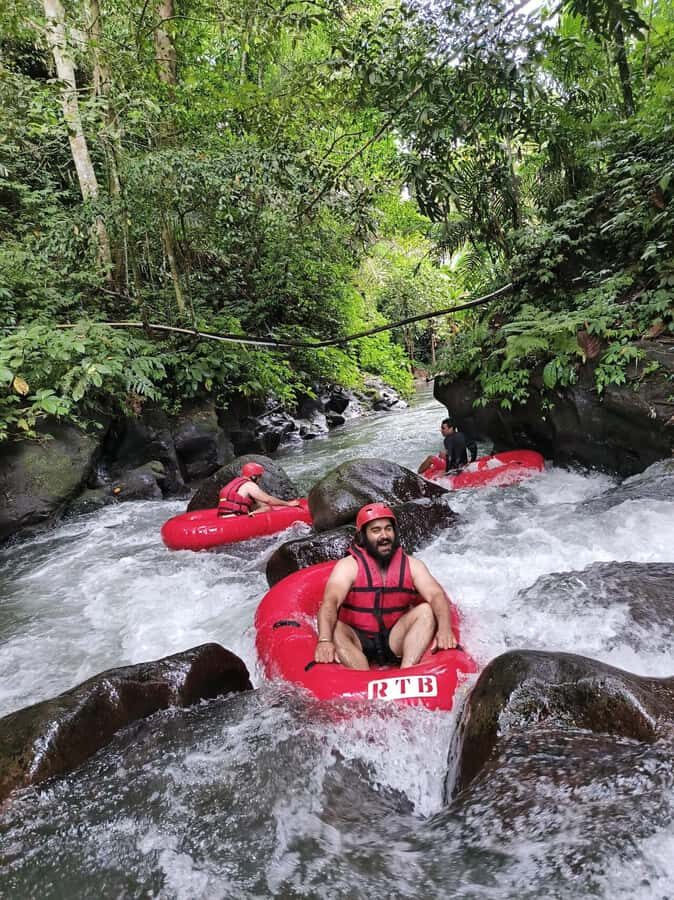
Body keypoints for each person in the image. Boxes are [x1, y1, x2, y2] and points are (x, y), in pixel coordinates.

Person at [313, 503, 456, 670]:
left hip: (395, 638)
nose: (384, 535)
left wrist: (445, 629)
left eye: (388, 529)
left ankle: (408, 672)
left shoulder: (413, 565)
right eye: (376, 530)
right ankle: (362, 679)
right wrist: (324, 640)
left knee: (426, 610)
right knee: (334, 627)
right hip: (357, 640)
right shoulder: (348, 566)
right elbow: (330, 602)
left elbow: (436, 595)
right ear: (363, 536)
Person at [217, 462, 302, 516]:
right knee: (267, 507)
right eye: (259, 476)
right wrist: (288, 504)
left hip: (222, 516)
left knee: (263, 506)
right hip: (235, 518)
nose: (260, 479)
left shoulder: (235, 483)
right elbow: (268, 500)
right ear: (253, 476)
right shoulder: (249, 485)